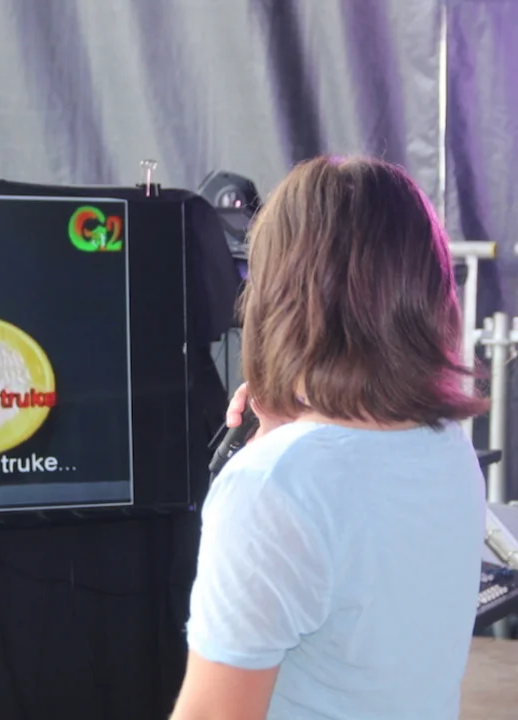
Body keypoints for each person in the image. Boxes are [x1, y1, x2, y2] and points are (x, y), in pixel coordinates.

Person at [171, 156, 487, 720]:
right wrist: (282, 437)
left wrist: (272, 461)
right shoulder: (448, 444)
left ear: (283, 293)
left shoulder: (271, 487)